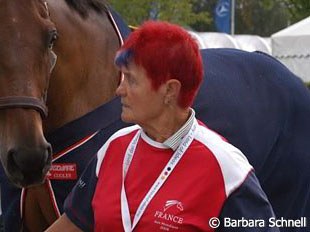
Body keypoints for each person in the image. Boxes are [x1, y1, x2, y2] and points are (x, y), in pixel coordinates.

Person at [46, 21, 279, 232]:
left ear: (170, 90)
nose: (120, 90)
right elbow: (73, 224)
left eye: (132, 80)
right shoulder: (113, 148)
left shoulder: (227, 168)